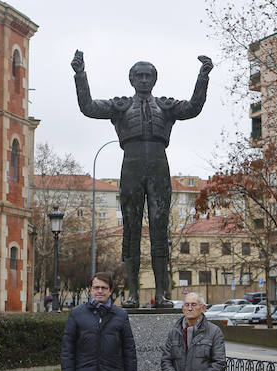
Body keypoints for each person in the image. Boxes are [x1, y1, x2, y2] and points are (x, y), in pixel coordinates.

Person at [72, 50, 213, 308]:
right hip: (132, 166)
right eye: (140, 76)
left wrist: (203, 77)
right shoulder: (121, 106)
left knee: (160, 232)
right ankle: (133, 294)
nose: (144, 80)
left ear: (155, 80)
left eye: (149, 76)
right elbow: (89, 107)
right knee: (131, 231)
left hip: (159, 165)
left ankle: (161, 294)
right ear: (132, 79)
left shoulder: (166, 107)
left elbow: (193, 108)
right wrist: (80, 74)